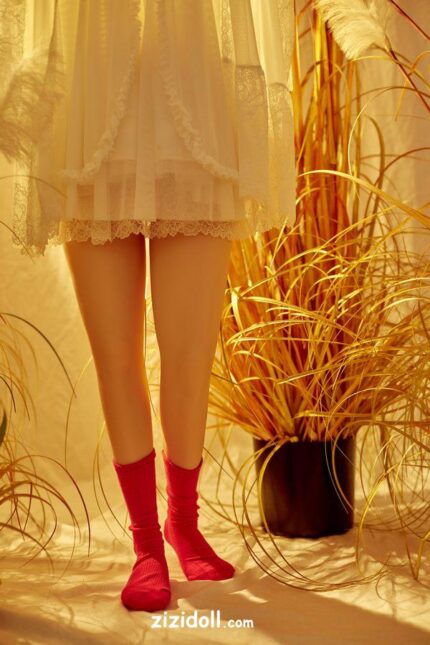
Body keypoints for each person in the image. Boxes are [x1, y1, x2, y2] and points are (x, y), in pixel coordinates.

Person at [4, 0, 296, 612]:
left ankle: (183, 524)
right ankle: (145, 546)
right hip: (89, 118)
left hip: (192, 114)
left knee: (190, 357)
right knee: (116, 359)